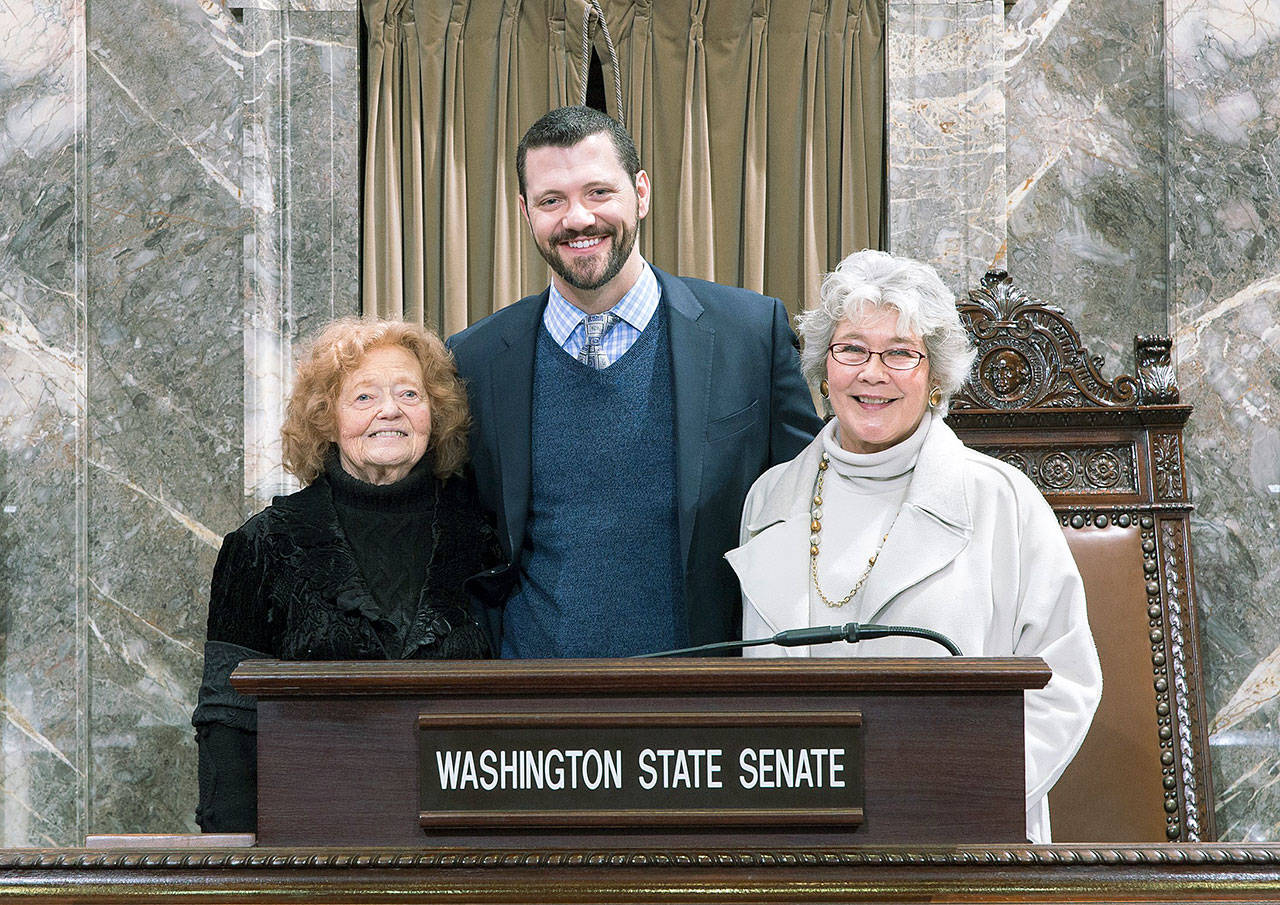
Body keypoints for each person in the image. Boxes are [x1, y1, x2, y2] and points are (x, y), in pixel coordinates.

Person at [725, 249, 1102, 843]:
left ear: (934, 376)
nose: (873, 373)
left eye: (901, 353)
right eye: (851, 349)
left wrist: (952, 795)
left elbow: (1065, 680)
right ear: (825, 367)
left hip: (960, 838)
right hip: (804, 841)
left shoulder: (1000, 500)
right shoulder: (770, 499)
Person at [448, 105, 822, 658]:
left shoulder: (751, 335)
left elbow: (814, 503)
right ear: (525, 212)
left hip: (706, 700)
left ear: (641, 193)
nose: (578, 218)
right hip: (533, 709)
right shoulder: (474, 359)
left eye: (599, 192)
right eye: (552, 200)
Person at [191, 318, 497, 833]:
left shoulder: (487, 538)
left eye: (409, 393)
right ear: (326, 418)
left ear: (435, 413)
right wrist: (240, 870)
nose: (390, 410)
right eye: (364, 397)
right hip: (313, 844)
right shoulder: (259, 548)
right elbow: (228, 723)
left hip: (463, 845)